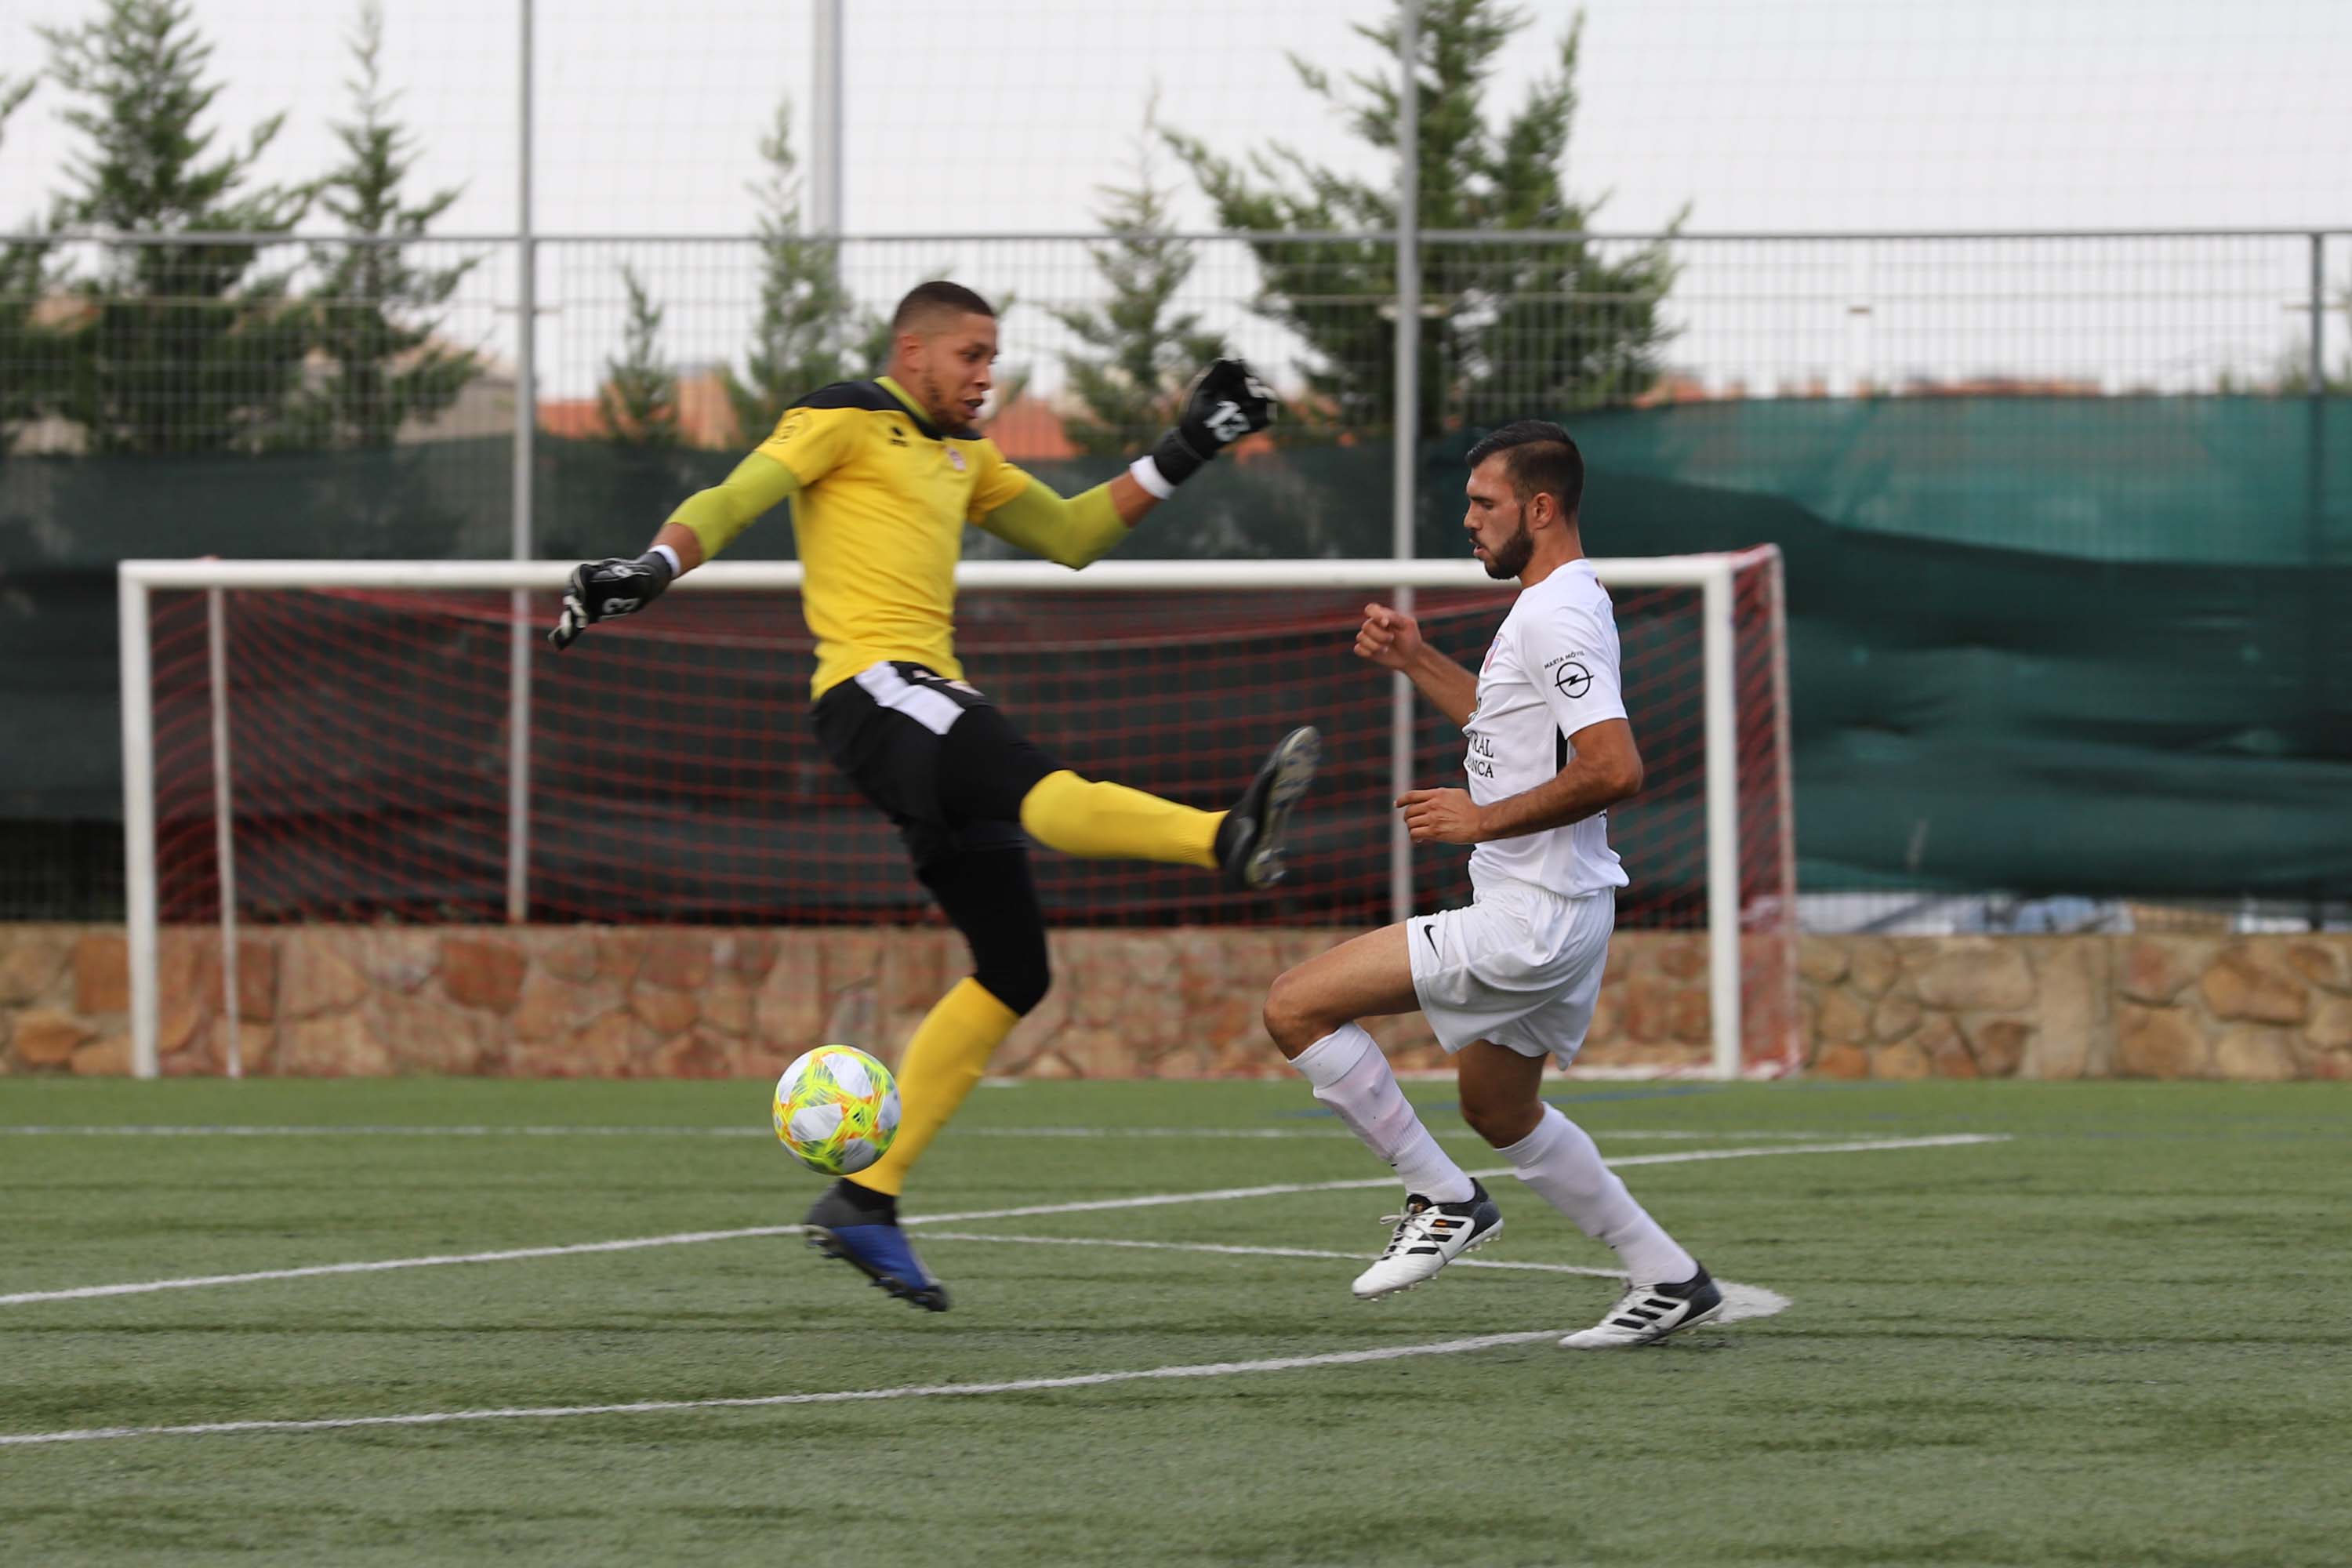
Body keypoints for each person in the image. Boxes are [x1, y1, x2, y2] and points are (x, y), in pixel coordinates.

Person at [552, 281, 1317, 1312]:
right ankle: (1226, 837)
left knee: (1013, 967)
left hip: (922, 704)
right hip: (876, 692)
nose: (986, 377)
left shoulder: (968, 458)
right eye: (971, 356)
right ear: (912, 350)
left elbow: (1076, 533)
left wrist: (1193, 443)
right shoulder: (842, 417)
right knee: (1036, 784)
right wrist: (653, 567)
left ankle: (866, 1197)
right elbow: (734, 497)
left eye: (994, 359)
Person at [1258, 419, 1719, 1349]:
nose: (1466, 520)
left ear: (1540, 508)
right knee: (1497, 1106)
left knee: (1295, 1006)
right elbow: (1511, 726)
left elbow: (1615, 766)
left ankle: (1443, 1198)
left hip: (1531, 919)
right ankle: (1668, 1274)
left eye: (1483, 504)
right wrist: (1415, 658)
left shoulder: (1555, 613)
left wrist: (1477, 820)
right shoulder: (1557, 603)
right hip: (1563, 910)